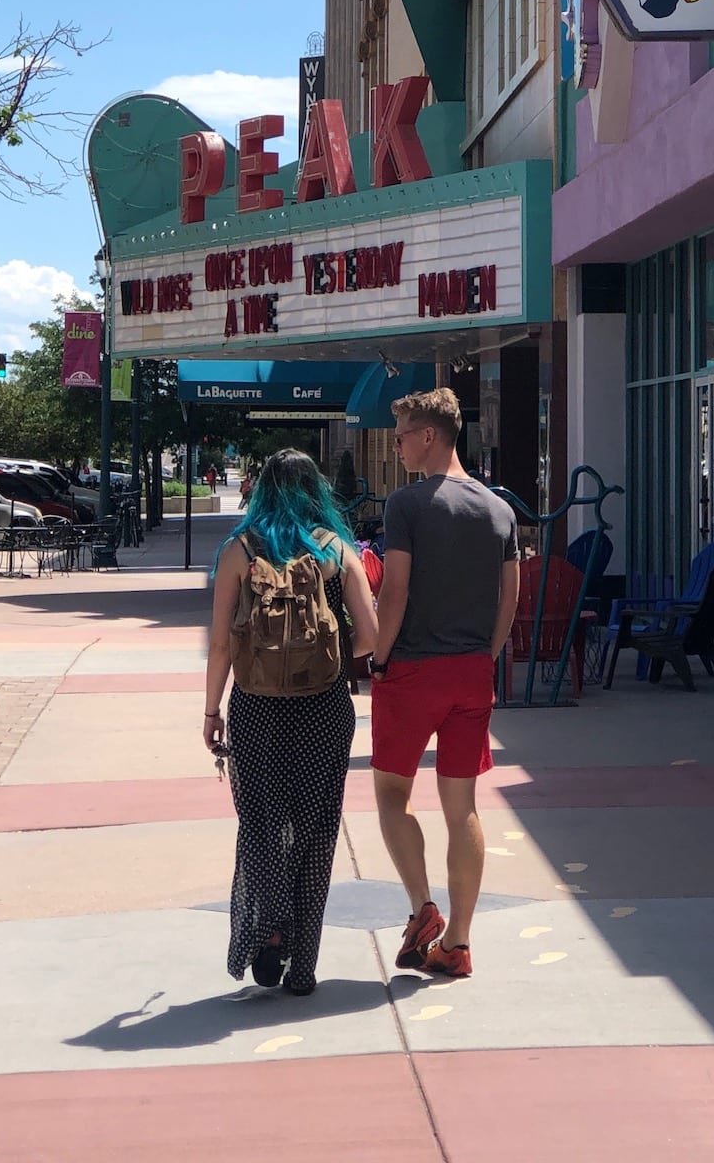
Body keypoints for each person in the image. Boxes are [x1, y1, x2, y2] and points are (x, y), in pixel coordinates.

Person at [204, 449, 377, 997]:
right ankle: (303, 966)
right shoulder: (336, 550)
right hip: (325, 707)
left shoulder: (239, 550)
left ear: (261, 491)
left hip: (255, 706)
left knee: (260, 822)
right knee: (316, 827)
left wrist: (212, 711)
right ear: (315, 490)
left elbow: (221, 643)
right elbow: (370, 638)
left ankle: (270, 921)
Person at [371, 387, 520, 981]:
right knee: (462, 808)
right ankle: (458, 941)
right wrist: (487, 655)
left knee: (390, 796)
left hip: (412, 669)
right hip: (472, 671)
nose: (399, 443)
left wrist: (378, 660)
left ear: (429, 434)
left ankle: (421, 909)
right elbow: (510, 597)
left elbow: (396, 590)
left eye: (403, 432)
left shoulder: (407, 504)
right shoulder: (500, 509)